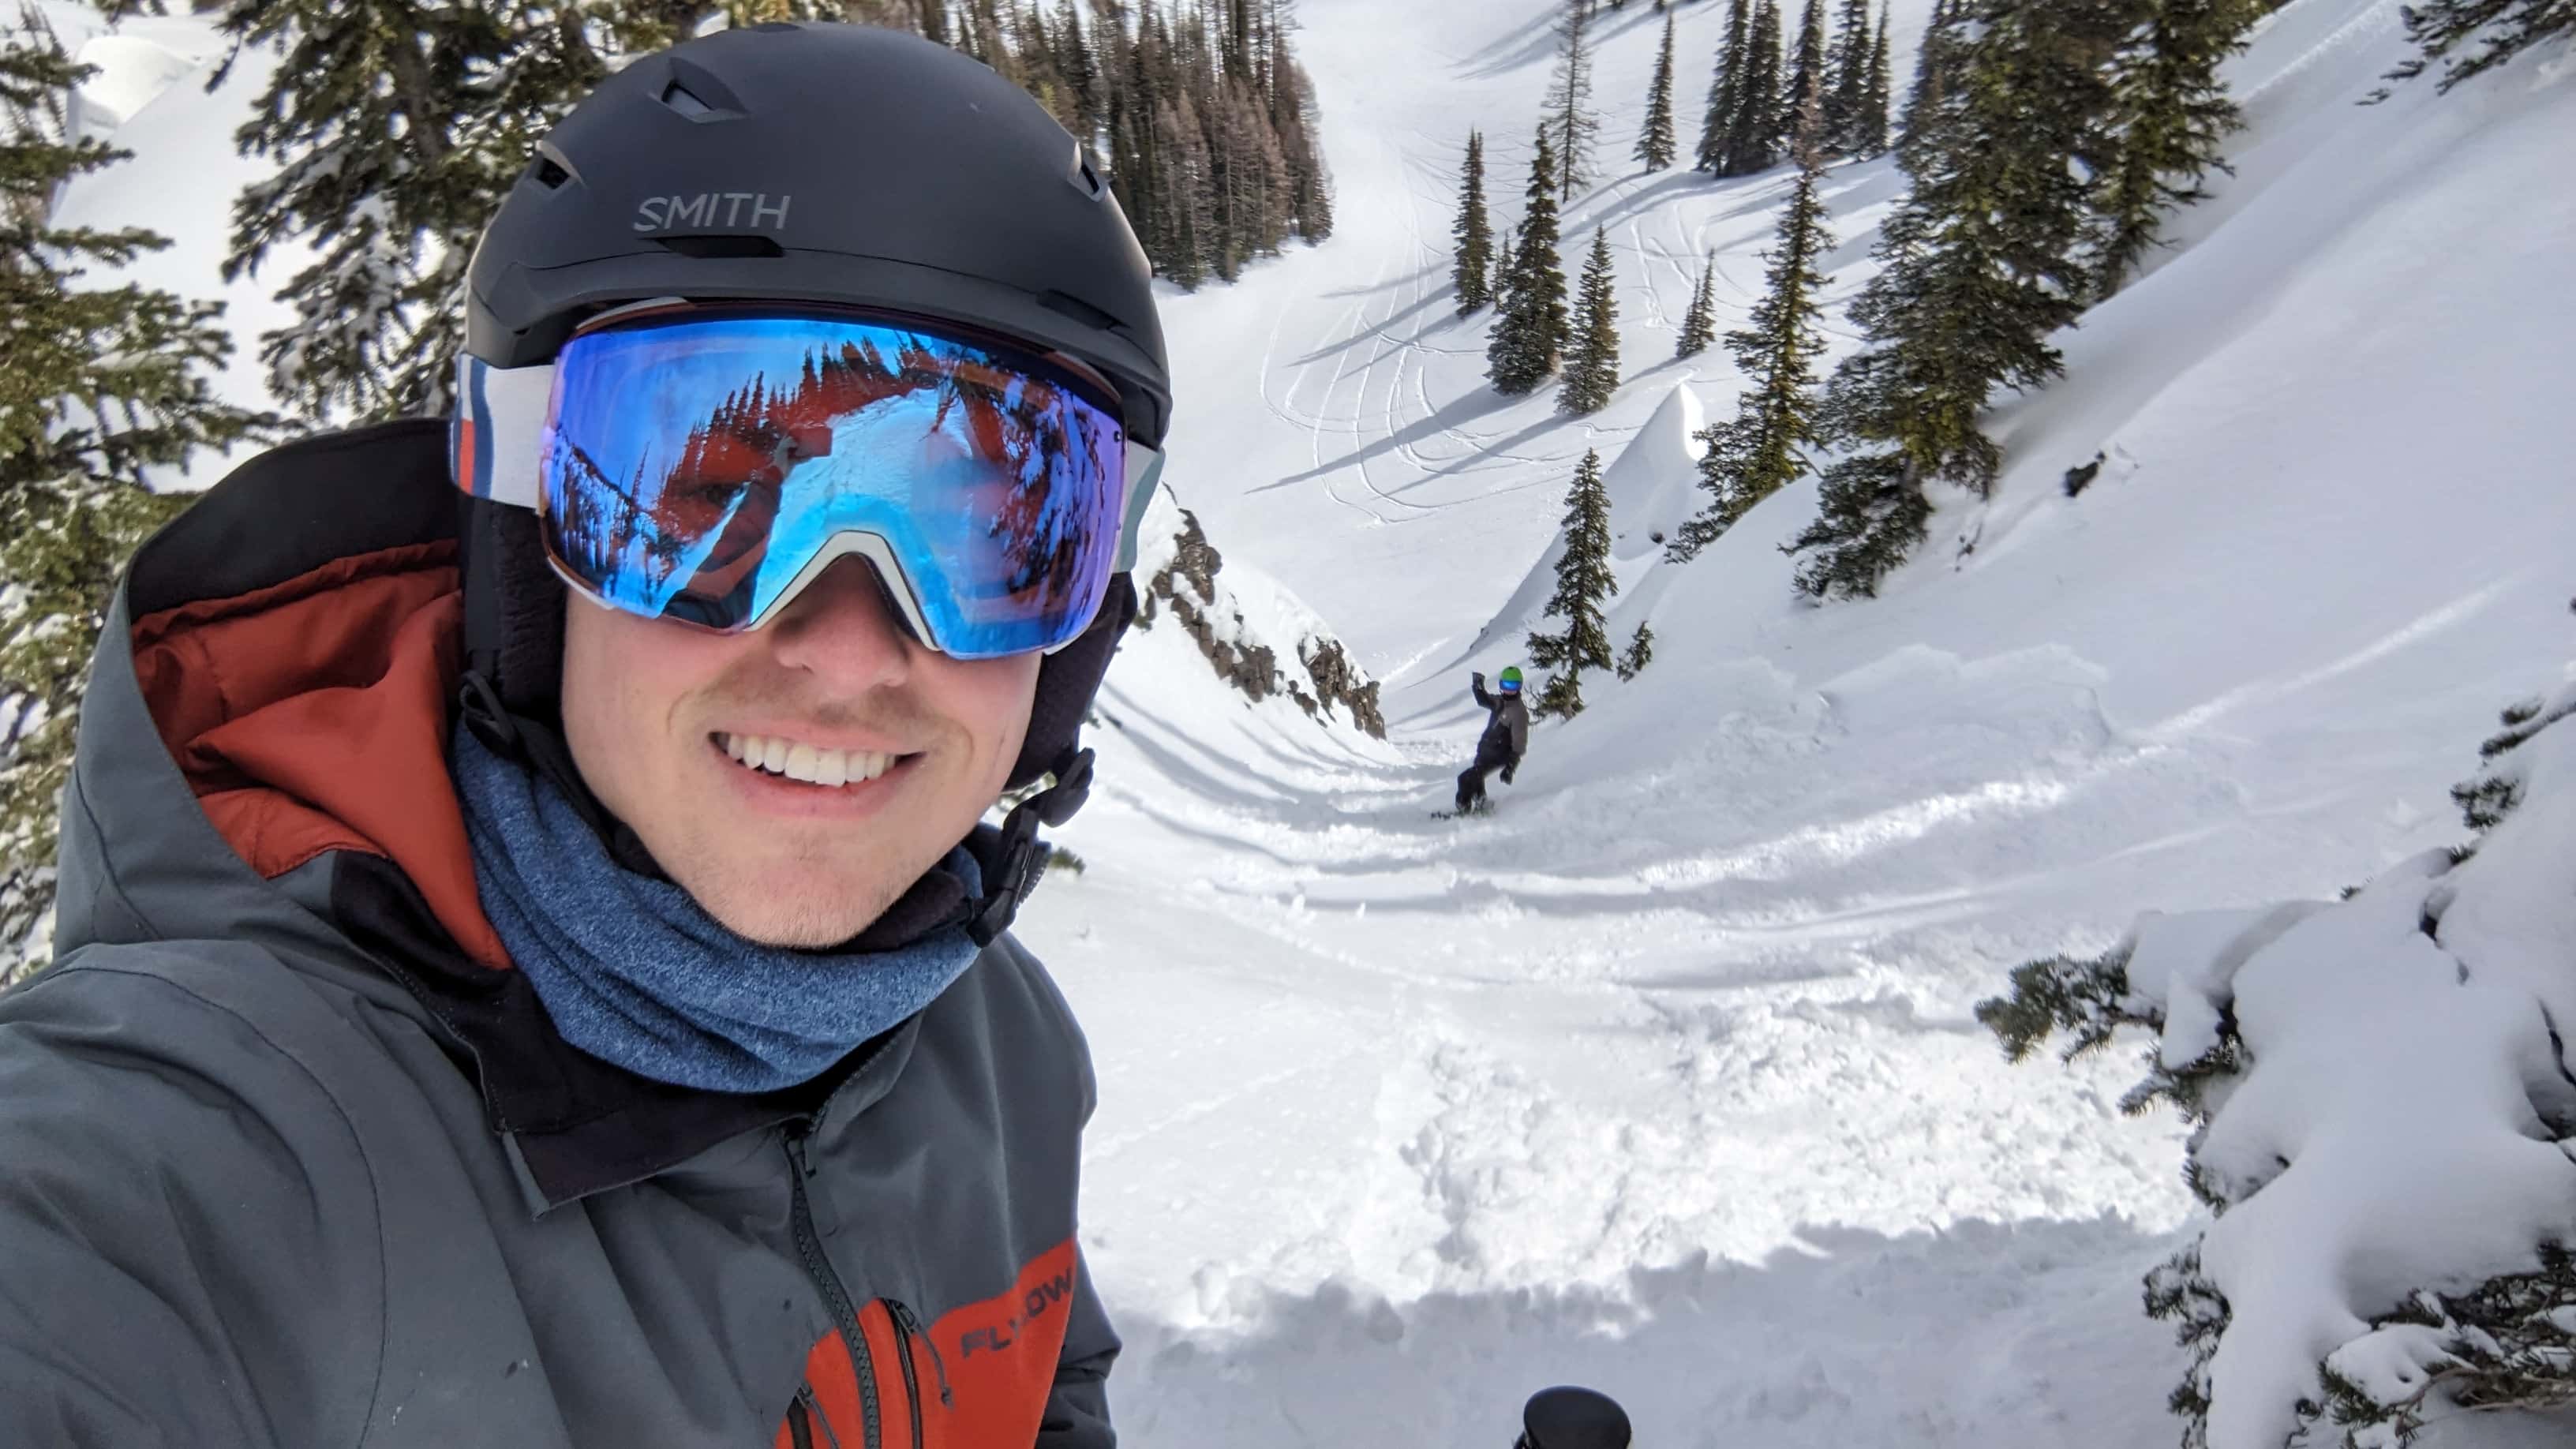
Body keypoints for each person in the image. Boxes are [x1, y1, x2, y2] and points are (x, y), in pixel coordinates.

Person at [0, 24, 1170, 1448]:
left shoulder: (998, 1046)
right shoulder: (216, 1155)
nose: (852, 649)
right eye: (709, 501)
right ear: (520, 555)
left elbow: (1048, 1395)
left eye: (990, 537)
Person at [1457, 666, 1531, 814]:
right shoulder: (1500, 702)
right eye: (1506, 686)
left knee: (1464, 779)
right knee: (1476, 778)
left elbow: (1519, 743)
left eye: (1513, 686)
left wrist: (1510, 767)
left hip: (1500, 755)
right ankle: (1481, 802)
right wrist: (1478, 686)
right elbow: (1484, 700)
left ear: (1519, 686)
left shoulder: (1519, 712)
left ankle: (1463, 809)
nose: (1509, 690)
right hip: (1487, 752)